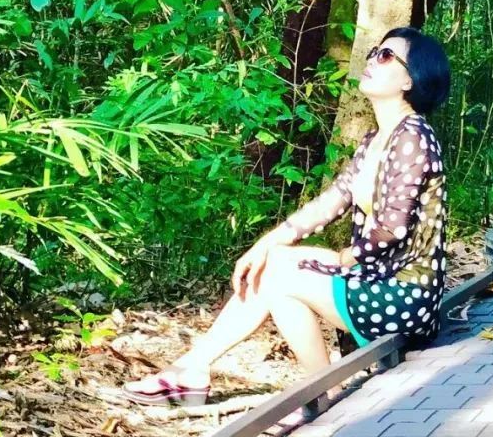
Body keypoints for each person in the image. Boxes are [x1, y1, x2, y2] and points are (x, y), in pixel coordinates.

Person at [124, 27, 451, 406]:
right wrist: (268, 242)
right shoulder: (376, 139)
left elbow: (392, 227)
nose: (372, 59)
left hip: (404, 297)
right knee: (275, 265)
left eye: (385, 56)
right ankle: (203, 369)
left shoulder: (413, 135)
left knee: (280, 277)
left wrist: (344, 259)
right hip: (376, 278)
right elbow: (333, 199)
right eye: (373, 51)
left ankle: (293, 385)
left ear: (410, 79)